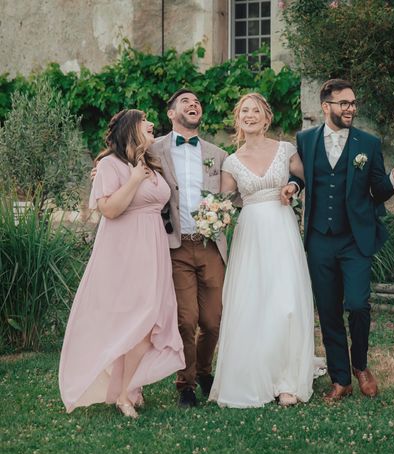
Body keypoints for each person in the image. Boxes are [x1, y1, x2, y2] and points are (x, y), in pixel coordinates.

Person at [283, 79, 394, 401]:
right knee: (329, 311)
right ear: (326, 106)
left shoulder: (368, 143)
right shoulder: (305, 140)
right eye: (344, 103)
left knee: (358, 304)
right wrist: (293, 186)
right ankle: (341, 378)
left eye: (353, 103)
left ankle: (360, 364)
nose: (351, 108)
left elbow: (378, 189)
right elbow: (300, 175)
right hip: (319, 238)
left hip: (355, 238)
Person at [59, 109, 185, 418]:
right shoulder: (109, 166)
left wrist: (140, 172)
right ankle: (124, 393)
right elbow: (111, 210)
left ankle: (129, 386)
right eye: (146, 123)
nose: (153, 126)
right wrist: (133, 180)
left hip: (153, 250)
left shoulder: (149, 163)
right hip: (124, 252)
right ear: (131, 129)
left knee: (149, 321)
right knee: (133, 322)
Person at [209, 93, 319, 408]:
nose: (250, 115)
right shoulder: (231, 161)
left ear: (266, 118)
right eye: (244, 110)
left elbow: (303, 177)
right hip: (250, 233)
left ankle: (287, 381)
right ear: (238, 118)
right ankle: (253, 374)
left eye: (256, 110)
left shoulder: (286, 150)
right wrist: (215, 214)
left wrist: (293, 187)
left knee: (285, 301)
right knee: (253, 302)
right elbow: (226, 201)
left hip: (282, 228)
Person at [149, 89, 230, 408]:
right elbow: (124, 162)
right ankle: (186, 382)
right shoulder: (153, 150)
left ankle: (206, 371)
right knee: (186, 319)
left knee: (213, 319)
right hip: (176, 246)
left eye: (197, 101)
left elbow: (230, 195)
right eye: (186, 102)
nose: (194, 104)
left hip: (211, 246)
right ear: (171, 113)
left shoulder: (218, 154)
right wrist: (102, 169)